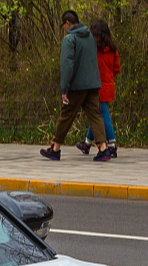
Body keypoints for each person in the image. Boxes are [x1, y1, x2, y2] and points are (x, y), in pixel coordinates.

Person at [41, 10, 104, 160]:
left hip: (76, 86)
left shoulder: (70, 39)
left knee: (66, 115)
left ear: (67, 23)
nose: (63, 28)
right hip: (93, 85)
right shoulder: (90, 37)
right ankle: (103, 148)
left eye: (63, 25)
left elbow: (67, 65)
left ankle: (55, 149)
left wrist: (65, 88)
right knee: (95, 116)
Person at [75, 20, 122, 161]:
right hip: (109, 85)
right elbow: (116, 69)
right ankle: (87, 143)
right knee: (95, 115)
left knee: (103, 115)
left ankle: (111, 144)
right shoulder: (113, 49)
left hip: (97, 86)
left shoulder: (94, 49)